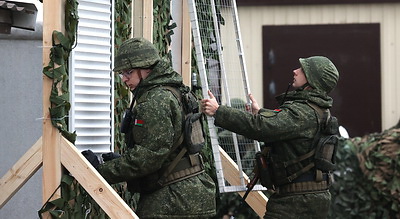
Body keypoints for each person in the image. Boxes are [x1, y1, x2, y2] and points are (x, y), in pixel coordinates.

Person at [83, 37, 216, 218]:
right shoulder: (175, 91)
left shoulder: (155, 101)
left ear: (146, 69)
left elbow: (148, 157)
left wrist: (100, 170)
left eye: (128, 72)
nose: (124, 79)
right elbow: (166, 149)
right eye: (121, 74)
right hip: (193, 194)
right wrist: (121, 161)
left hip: (172, 202)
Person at [201, 56, 339, 218]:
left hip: (295, 203)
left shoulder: (303, 112)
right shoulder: (316, 110)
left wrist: (219, 111)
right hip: (306, 199)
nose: (295, 71)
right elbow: (284, 123)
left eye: (302, 70)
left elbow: (261, 127)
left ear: (312, 80)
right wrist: (260, 113)